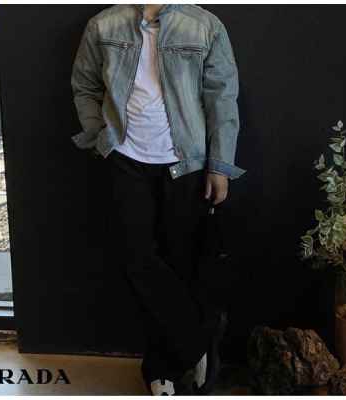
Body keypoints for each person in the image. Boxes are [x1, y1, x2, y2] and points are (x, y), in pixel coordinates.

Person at [71, 4, 246, 395]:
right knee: (136, 259)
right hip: (124, 158)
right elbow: (85, 86)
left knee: (180, 263)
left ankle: (163, 367)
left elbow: (222, 98)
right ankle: (197, 340)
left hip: (185, 163)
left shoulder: (205, 26)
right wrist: (101, 137)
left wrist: (220, 165)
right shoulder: (103, 25)